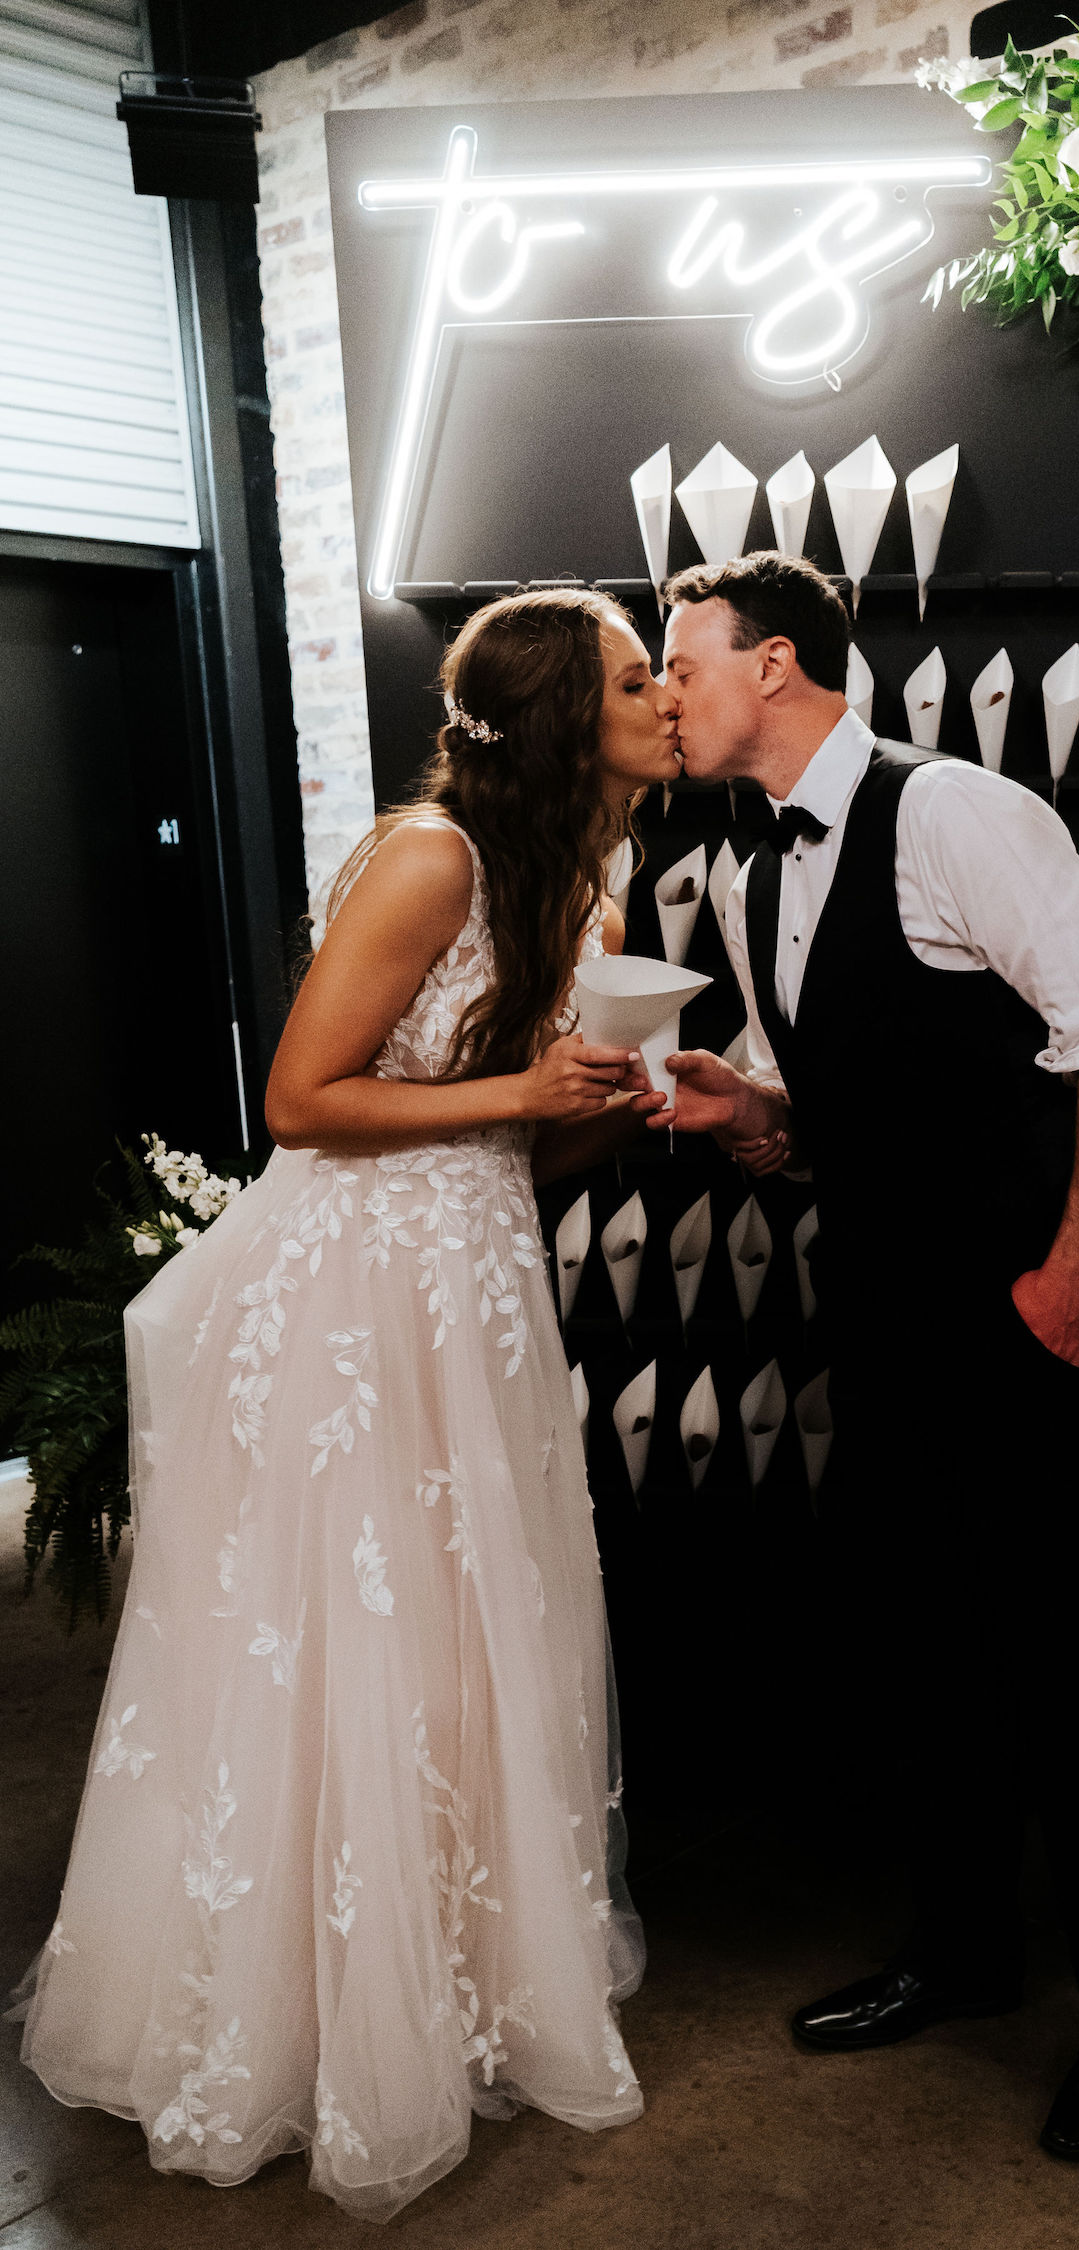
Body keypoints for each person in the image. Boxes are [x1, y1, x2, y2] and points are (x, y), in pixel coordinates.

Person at [16, 590, 677, 2220]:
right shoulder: (433, 858)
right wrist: (527, 1086)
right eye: (634, 675)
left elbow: (521, 1143)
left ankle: (448, 1970)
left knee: (470, 1631)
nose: (665, 698)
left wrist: (614, 1101)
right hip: (357, 1285)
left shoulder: (586, 881)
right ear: (552, 715)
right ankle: (294, 2006)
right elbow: (302, 1098)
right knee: (347, 1625)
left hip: (480, 1278)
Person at [654, 552, 1079, 2162]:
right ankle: (963, 1956)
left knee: (1078, 1677)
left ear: (774, 663)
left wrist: (1069, 1275)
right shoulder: (752, 879)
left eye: (682, 661)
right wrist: (752, 1113)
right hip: (879, 1321)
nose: (666, 692)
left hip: (1027, 1318)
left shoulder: (958, 808)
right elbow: (860, 1111)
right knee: (934, 1650)